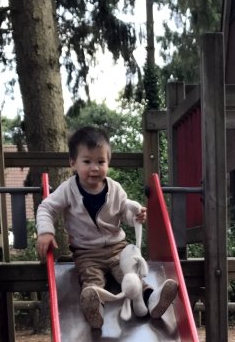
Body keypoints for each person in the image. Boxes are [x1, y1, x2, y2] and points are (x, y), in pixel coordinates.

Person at [35, 125, 179, 330]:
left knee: (131, 277)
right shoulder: (68, 189)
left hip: (117, 248)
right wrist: (46, 232)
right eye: (87, 162)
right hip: (86, 253)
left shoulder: (115, 189)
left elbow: (124, 212)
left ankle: (152, 300)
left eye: (100, 162)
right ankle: (95, 308)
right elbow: (46, 207)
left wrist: (135, 215)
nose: (94, 168)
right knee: (92, 279)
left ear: (108, 163)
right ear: (73, 163)